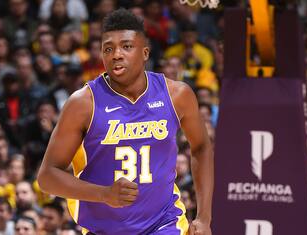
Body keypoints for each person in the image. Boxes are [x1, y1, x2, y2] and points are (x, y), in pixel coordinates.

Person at [37, 8, 214, 235]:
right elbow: (47, 176)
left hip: (164, 224)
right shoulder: (83, 103)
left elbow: (201, 147)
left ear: (145, 53)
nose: (116, 54)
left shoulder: (176, 94)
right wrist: (104, 194)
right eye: (108, 49)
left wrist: (204, 217)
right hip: (102, 228)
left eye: (126, 47)